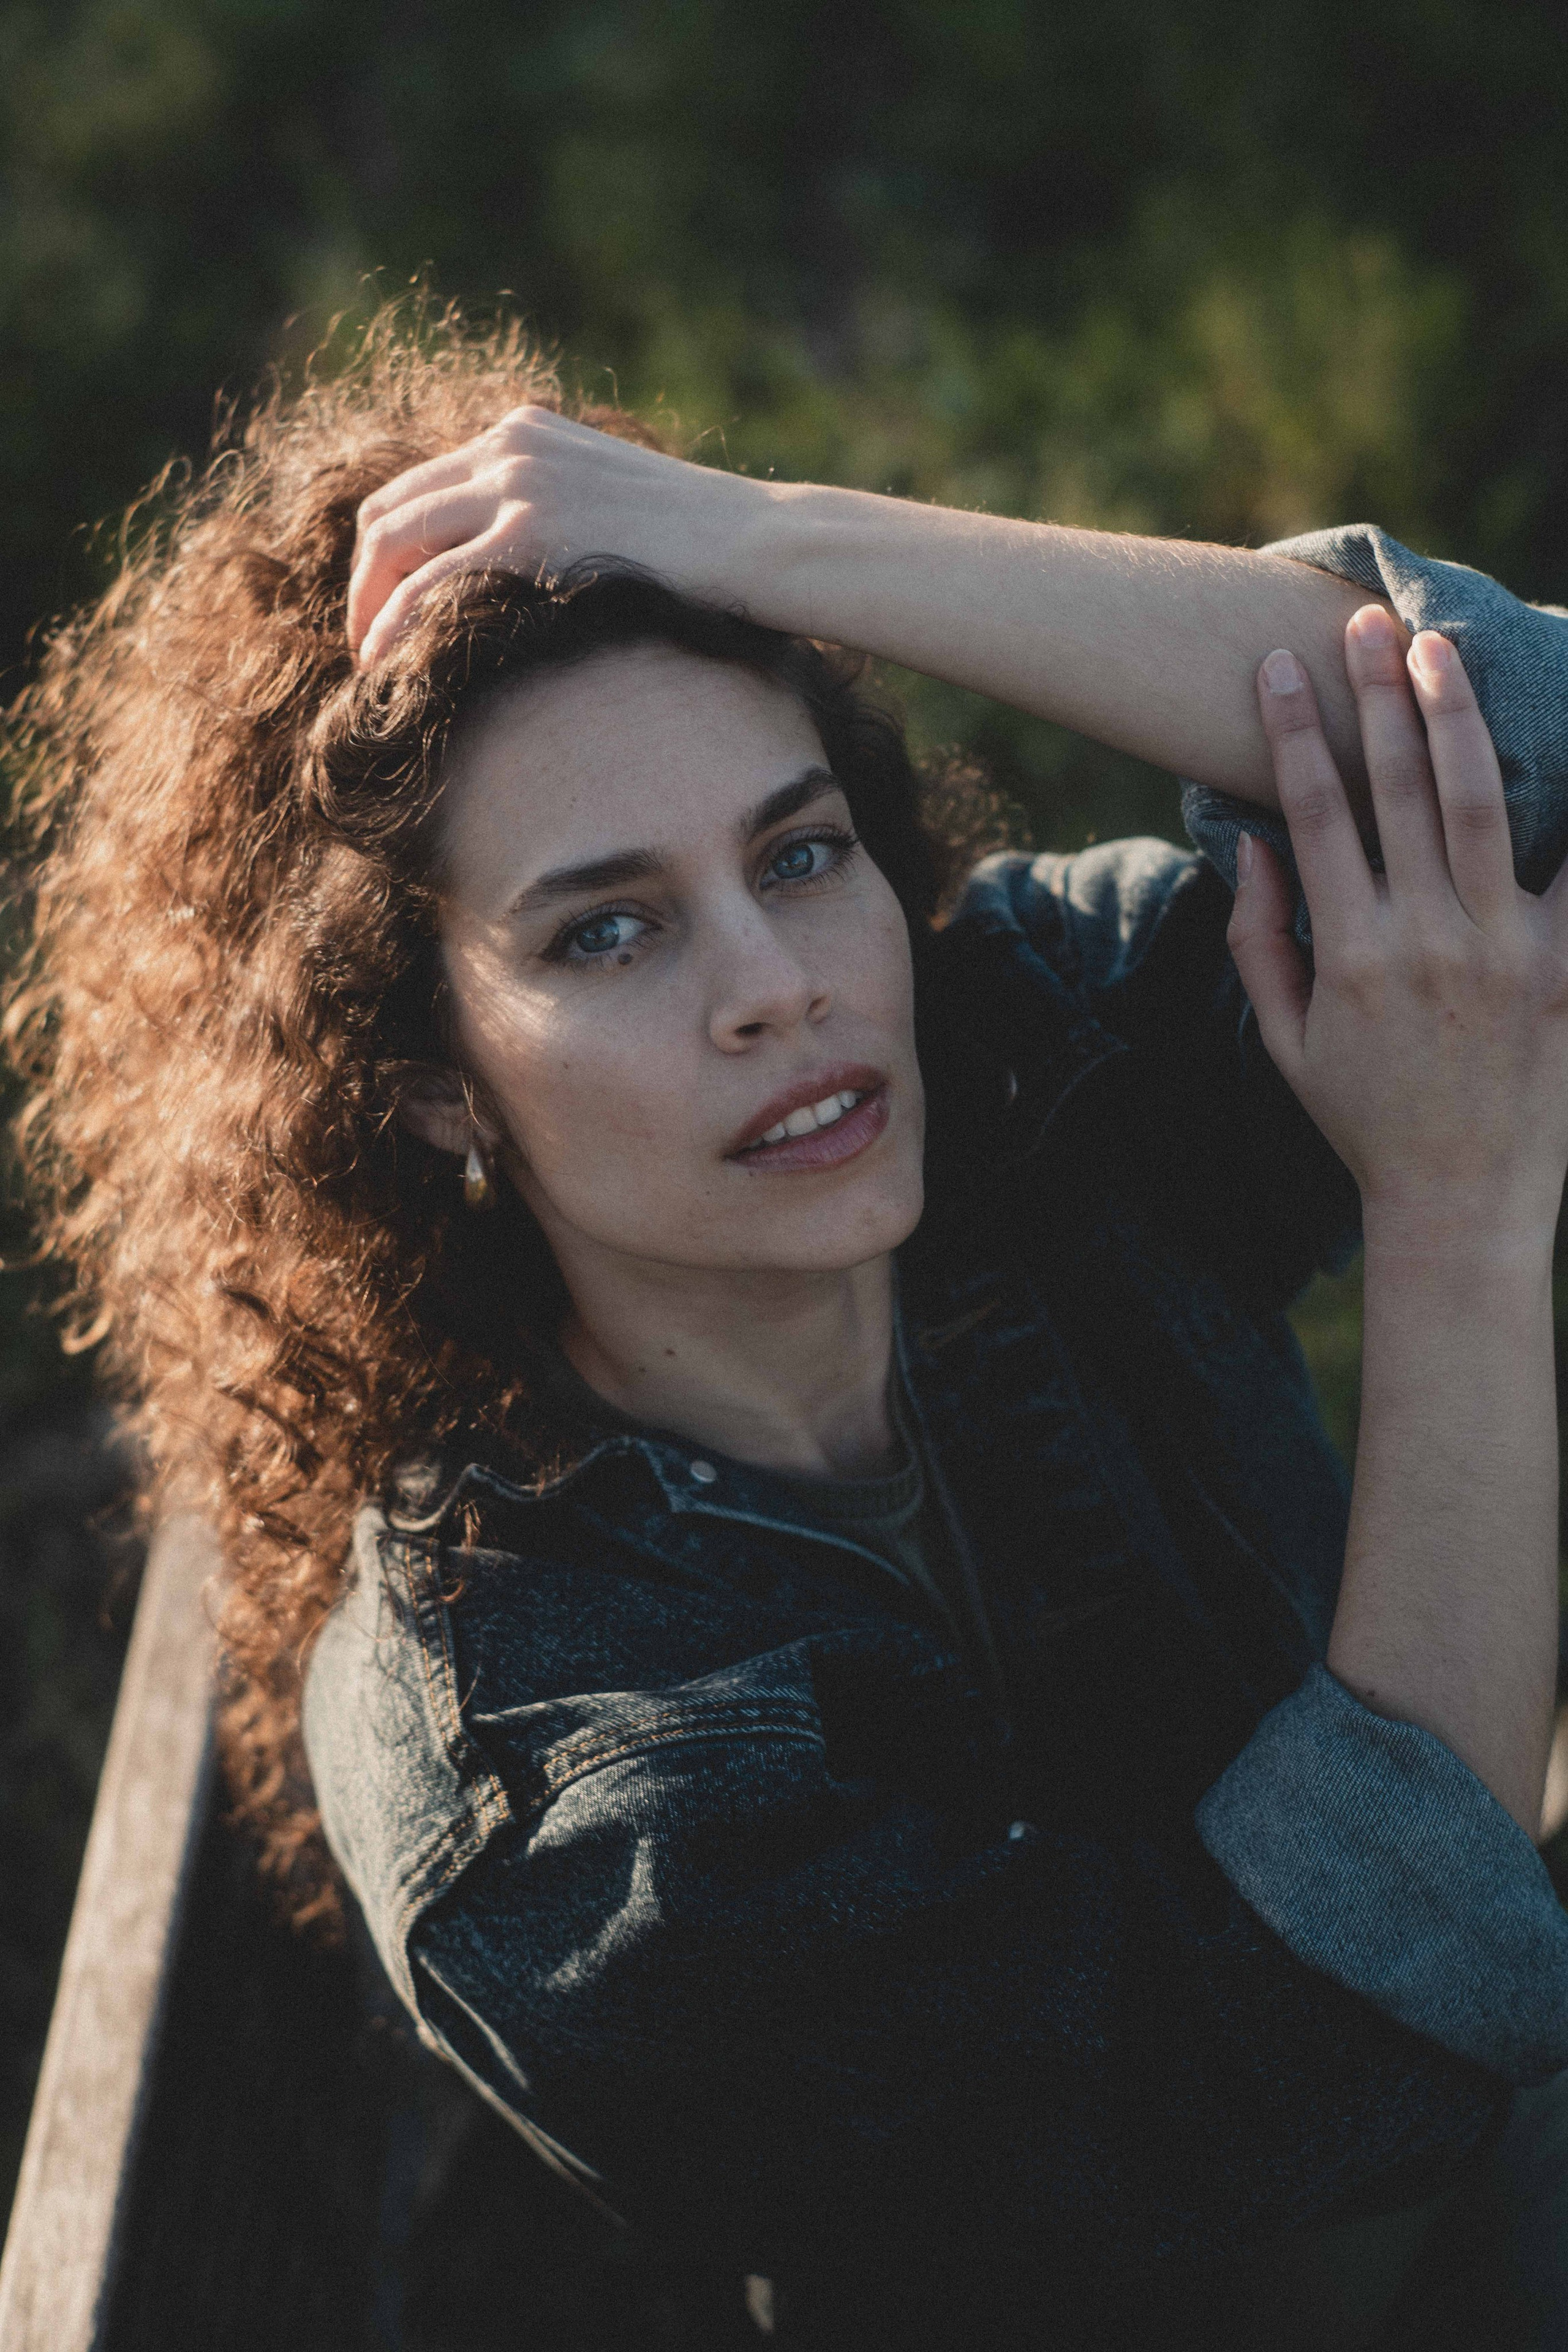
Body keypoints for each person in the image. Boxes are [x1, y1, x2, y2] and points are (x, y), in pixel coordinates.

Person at [9, 310, 1568, 2346]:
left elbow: (1518, 758)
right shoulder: (559, 1802)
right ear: (430, 1085)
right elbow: (1337, 2056)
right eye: (610, 929)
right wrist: (1459, 1219)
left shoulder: (1011, 1052)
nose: (780, 987)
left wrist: (761, 537)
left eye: (800, 850)